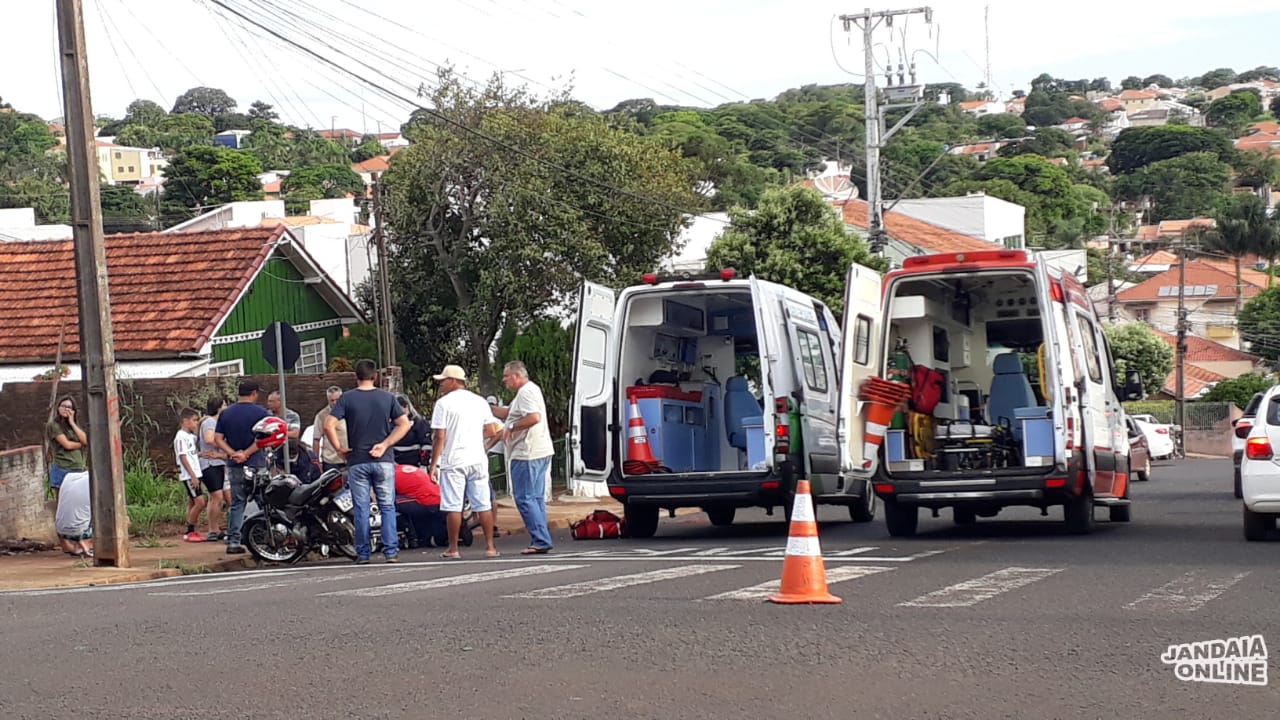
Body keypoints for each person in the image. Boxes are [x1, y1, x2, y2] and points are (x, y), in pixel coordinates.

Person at [325, 359, 411, 564]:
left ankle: (363, 554)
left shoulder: (347, 398)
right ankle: (391, 552)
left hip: (357, 460)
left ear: (356, 377)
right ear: (375, 377)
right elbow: (404, 424)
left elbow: (329, 425)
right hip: (384, 460)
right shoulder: (387, 398)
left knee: (361, 508)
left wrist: (340, 449)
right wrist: (385, 443)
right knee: (387, 506)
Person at [429, 364, 503, 560]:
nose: (441, 385)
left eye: (443, 381)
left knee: (453, 506)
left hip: (454, 460)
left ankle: (453, 548)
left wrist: (433, 464)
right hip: (477, 458)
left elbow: (440, 437)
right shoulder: (479, 402)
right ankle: (490, 547)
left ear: (453, 381)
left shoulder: (443, 404)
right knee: (483, 504)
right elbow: (491, 431)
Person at [491, 360, 555, 554]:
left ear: (517, 375)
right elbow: (508, 413)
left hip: (527, 452)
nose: (504, 380)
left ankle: (541, 539)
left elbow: (534, 417)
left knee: (524, 498)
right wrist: (487, 407)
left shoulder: (526, 392)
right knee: (535, 498)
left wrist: (511, 427)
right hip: (539, 450)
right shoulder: (528, 391)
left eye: (506, 376)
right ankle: (541, 537)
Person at [214, 380, 270, 555]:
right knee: (264, 501)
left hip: (235, 465)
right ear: (254, 393)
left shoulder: (226, 414)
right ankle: (265, 537)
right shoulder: (261, 412)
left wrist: (233, 454)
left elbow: (217, 439)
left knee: (237, 503)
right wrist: (246, 453)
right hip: (256, 463)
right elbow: (264, 439)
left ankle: (233, 541)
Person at [393, 464, 456, 548]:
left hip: (424, 501)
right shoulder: (410, 468)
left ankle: (411, 536)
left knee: (388, 504)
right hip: (440, 498)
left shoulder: (390, 474)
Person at [198, 397, 230, 542]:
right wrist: (223, 444)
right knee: (217, 496)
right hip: (210, 463)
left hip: (218, 462)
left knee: (220, 497)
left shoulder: (216, 422)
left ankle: (217, 528)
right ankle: (212, 529)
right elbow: (209, 439)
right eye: (224, 405)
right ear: (218, 407)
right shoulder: (210, 422)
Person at [174, 407, 208, 543]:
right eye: (194, 420)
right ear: (185, 421)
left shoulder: (190, 437)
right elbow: (183, 457)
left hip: (195, 472)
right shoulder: (180, 437)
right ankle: (189, 530)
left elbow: (193, 450)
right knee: (200, 502)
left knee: (193, 502)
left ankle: (192, 530)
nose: (195, 423)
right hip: (189, 475)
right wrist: (193, 475)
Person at [47, 395, 88, 499]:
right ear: (58, 408)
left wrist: (72, 423)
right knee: (62, 501)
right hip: (63, 468)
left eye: (69, 407)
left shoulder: (74, 426)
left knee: (77, 500)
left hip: (78, 468)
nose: (66, 409)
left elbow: (86, 440)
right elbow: (67, 445)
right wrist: (81, 444)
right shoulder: (53, 425)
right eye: (63, 406)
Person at [55, 469, 93, 558]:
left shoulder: (69, 477)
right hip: (80, 530)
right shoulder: (96, 482)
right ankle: (85, 544)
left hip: (61, 531)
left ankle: (69, 546)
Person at [312, 386, 347, 473]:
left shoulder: (350, 412)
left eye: (337, 400)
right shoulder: (321, 415)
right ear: (327, 400)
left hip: (349, 458)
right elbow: (316, 439)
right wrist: (316, 462)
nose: (335, 403)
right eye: (332, 400)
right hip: (331, 461)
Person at [392, 394, 432, 466]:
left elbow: (427, 445)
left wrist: (423, 464)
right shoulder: (391, 424)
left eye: (400, 410)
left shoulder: (420, 423)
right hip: (395, 464)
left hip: (415, 465)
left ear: (407, 407)